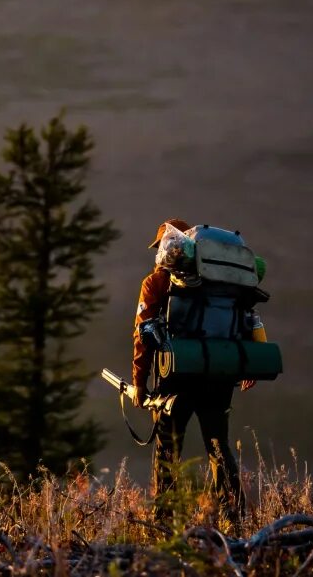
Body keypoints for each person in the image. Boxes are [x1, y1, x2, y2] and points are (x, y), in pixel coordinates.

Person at [132, 219, 264, 526]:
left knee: (168, 449)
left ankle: (163, 522)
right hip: (219, 374)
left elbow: (142, 335)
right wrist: (244, 363)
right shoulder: (223, 283)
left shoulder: (156, 283)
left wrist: (139, 382)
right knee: (218, 445)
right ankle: (235, 519)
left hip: (176, 378)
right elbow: (245, 321)